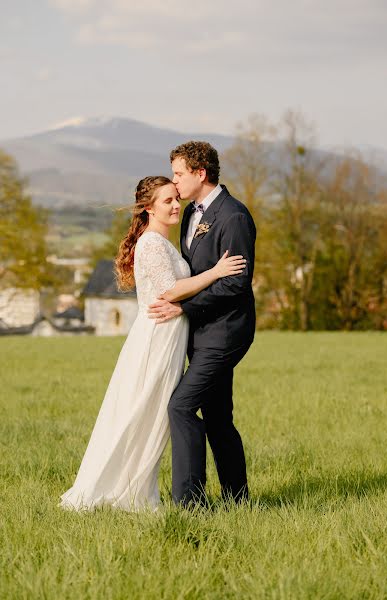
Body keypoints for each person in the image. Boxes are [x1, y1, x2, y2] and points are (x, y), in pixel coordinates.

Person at [60, 175, 246, 511]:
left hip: (172, 337)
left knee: (155, 415)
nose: (177, 205)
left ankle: (140, 488)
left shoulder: (164, 243)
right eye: (167, 201)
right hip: (156, 338)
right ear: (149, 208)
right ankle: (113, 490)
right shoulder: (150, 244)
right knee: (141, 413)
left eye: (177, 198)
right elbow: (170, 291)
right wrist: (217, 271)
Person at [148, 142, 256, 507]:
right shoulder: (192, 214)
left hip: (226, 331)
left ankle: (190, 502)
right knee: (217, 417)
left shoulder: (234, 217)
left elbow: (235, 283)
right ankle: (237, 500)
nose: (174, 182)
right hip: (203, 332)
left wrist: (185, 310)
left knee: (180, 406)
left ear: (200, 173)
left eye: (178, 174)